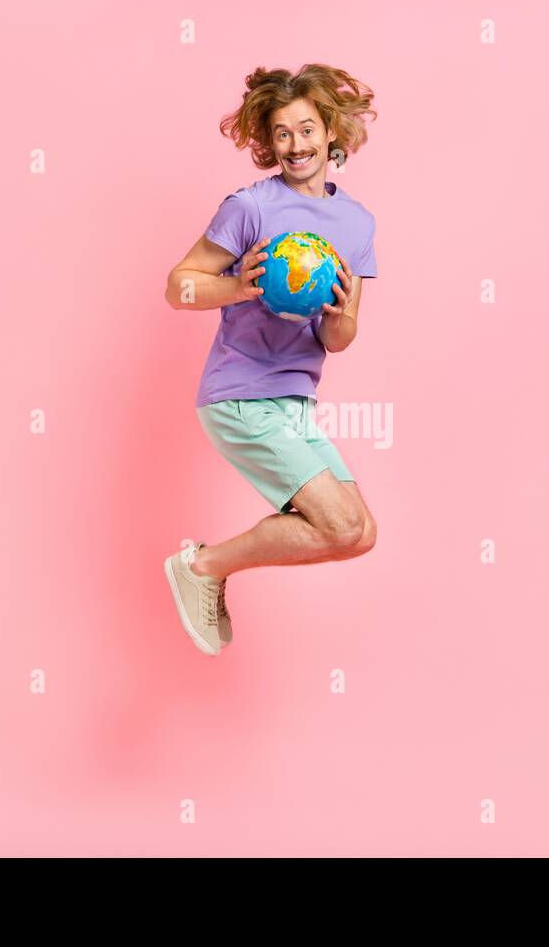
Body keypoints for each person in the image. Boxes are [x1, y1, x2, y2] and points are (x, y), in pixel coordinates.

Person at [162, 64, 380, 656]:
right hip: (240, 396)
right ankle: (203, 566)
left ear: (331, 133)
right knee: (336, 524)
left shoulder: (357, 225)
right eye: (282, 133)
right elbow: (178, 286)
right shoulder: (250, 208)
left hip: (294, 403)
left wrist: (337, 315)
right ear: (268, 140)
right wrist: (238, 286)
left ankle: (204, 567)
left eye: (307, 130)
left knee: (359, 534)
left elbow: (340, 336)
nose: (296, 145)